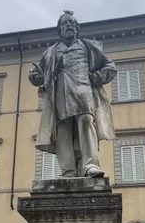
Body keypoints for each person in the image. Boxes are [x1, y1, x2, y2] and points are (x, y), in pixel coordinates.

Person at [29, 10, 117, 178]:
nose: (68, 25)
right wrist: (35, 77)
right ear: (60, 30)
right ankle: (68, 171)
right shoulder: (50, 52)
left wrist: (95, 77)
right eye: (65, 23)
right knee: (63, 131)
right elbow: (37, 75)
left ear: (77, 29)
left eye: (71, 23)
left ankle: (90, 165)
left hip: (83, 93)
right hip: (59, 96)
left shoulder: (87, 46)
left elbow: (110, 67)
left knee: (86, 121)